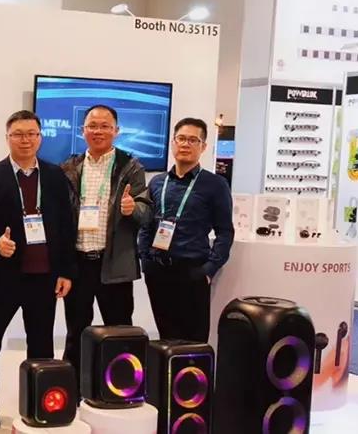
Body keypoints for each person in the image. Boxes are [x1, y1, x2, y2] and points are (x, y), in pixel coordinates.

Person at [0, 110, 76, 428]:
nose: (25, 140)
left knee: (42, 343)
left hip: (44, 276)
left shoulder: (55, 175)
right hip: (4, 275)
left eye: (31, 133)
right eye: (18, 134)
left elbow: (66, 225)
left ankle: (40, 401)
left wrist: (66, 271)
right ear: (7, 137)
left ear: (40, 137)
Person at [61, 105, 152, 378]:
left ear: (116, 131)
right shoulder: (69, 167)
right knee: (76, 330)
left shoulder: (131, 166)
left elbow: (146, 212)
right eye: (92, 126)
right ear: (83, 130)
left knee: (120, 330)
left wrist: (132, 209)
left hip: (114, 263)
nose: (98, 131)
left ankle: (121, 385)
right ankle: (73, 387)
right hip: (79, 263)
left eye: (105, 126)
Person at [138, 117, 234, 342]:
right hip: (158, 272)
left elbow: (225, 232)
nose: (185, 144)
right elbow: (147, 223)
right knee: (166, 338)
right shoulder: (157, 182)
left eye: (193, 140)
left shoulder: (215, 184)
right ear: (173, 142)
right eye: (181, 138)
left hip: (192, 272)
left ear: (203, 146)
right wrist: (145, 259)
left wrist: (209, 269)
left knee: (193, 342)